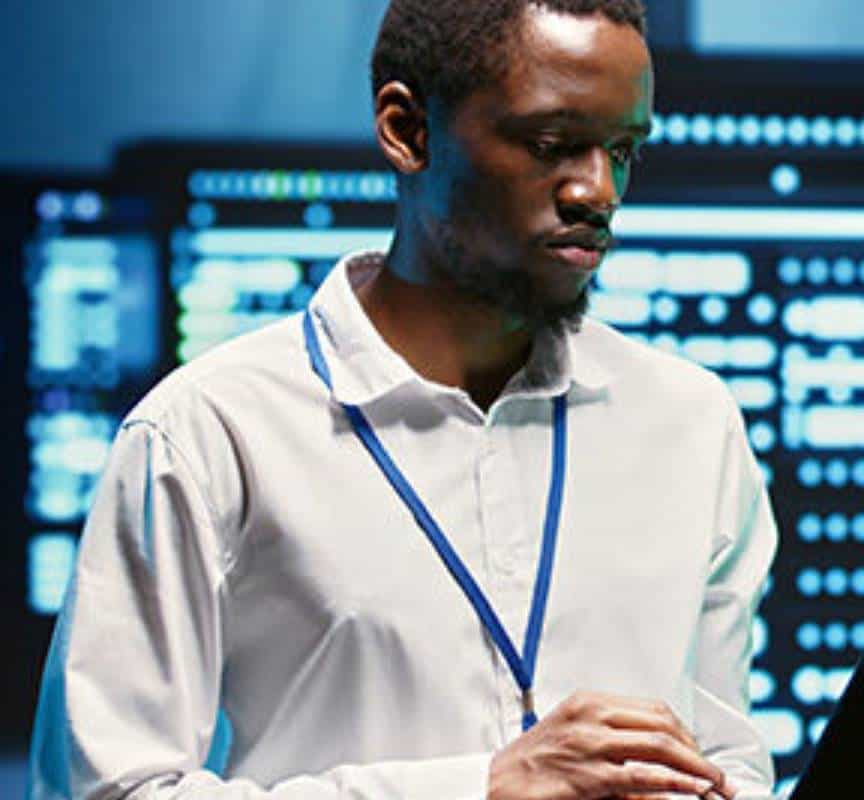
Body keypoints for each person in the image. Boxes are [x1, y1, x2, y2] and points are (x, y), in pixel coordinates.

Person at [27, 1, 780, 798]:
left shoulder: (692, 425)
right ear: (407, 130)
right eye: (553, 145)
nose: (599, 190)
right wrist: (479, 789)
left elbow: (727, 755)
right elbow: (103, 791)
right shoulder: (209, 433)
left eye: (623, 151)